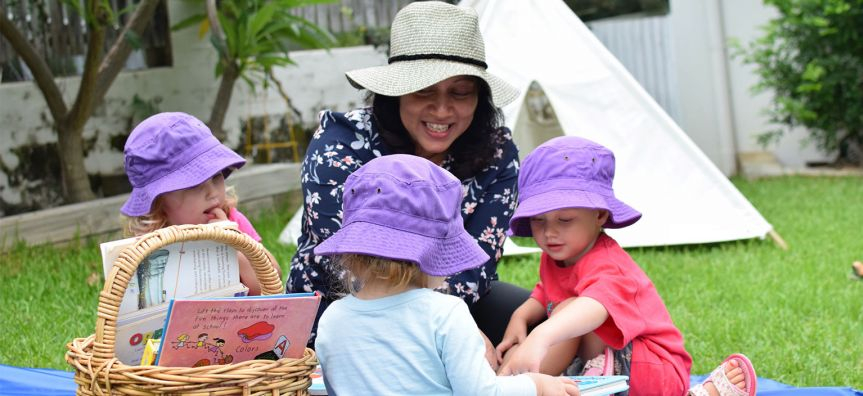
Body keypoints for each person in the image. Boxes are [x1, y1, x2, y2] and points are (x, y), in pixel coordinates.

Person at [287, 0, 528, 353]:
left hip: (450, 304)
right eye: (424, 91)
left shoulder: (497, 153)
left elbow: (478, 261)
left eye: (460, 93)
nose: (442, 110)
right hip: (341, 310)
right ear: (394, 92)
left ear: (480, 98)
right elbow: (350, 264)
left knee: (533, 320)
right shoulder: (340, 144)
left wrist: (450, 324)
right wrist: (448, 334)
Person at [496, 136, 757, 396]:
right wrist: (522, 316)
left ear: (599, 215)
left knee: (565, 313)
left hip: (650, 368)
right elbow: (547, 290)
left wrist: (540, 337)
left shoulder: (610, 264)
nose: (549, 232)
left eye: (564, 219)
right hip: (597, 359)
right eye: (538, 220)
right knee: (539, 334)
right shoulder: (557, 254)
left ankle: (516, 386)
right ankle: (501, 386)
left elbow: (594, 306)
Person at [314, 154, 579, 396]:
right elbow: (481, 393)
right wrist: (537, 385)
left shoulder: (332, 320)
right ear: (433, 255)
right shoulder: (444, 314)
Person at [120, 112, 280, 295]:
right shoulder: (148, 244)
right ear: (158, 203)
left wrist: (235, 246)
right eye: (194, 184)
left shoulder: (232, 220)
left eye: (216, 176)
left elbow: (271, 282)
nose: (212, 192)